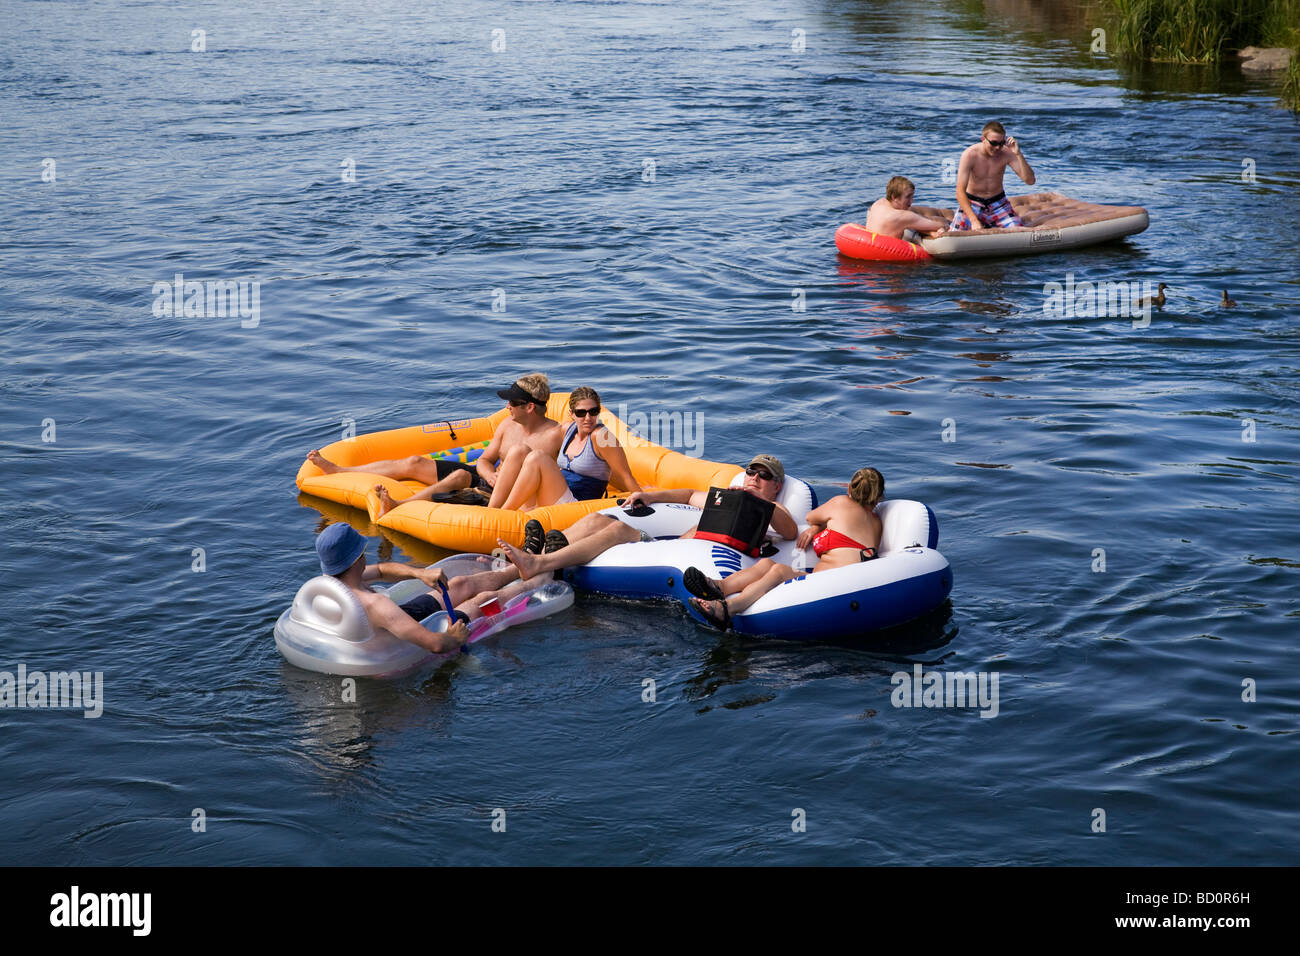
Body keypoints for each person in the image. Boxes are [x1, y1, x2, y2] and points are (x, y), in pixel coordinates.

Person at [496, 454, 798, 580]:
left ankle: (540, 561)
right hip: (663, 546)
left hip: (676, 557)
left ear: (777, 487)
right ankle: (522, 566)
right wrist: (650, 496)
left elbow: (789, 532)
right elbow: (688, 495)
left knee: (616, 532)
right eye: (751, 472)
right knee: (598, 520)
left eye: (764, 476)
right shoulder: (725, 499)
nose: (755, 477)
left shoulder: (771, 511)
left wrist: (759, 501)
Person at [305, 373, 563, 516]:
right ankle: (339, 470)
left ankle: (401, 506)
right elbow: (485, 459)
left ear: (530, 407)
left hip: (511, 493)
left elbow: (547, 478)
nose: (506, 407)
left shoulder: (554, 435)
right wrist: (489, 474)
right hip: (491, 479)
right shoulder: (507, 425)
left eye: (513, 403)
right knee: (414, 462)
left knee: (461, 474)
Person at [685, 467, 885, 629]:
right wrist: (818, 528)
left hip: (832, 585)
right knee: (766, 564)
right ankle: (719, 587)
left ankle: (727, 609)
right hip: (837, 580)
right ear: (879, 496)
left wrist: (815, 527)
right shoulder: (877, 523)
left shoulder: (841, 502)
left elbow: (811, 517)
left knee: (778, 570)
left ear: (849, 488)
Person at [313, 523, 544, 653]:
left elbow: (382, 570)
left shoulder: (333, 582)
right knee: (481, 600)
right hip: (398, 632)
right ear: (356, 559)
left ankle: (523, 565)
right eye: (362, 551)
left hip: (398, 617)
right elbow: (435, 644)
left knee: (460, 584)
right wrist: (454, 637)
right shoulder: (376, 604)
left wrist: (419, 573)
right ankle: (541, 579)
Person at [483, 387, 643, 511]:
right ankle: (492, 510)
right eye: (581, 413)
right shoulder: (567, 429)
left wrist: (645, 500)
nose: (588, 418)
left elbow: (624, 476)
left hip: (576, 504)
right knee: (519, 450)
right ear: (571, 414)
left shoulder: (602, 437)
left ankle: (503, 515)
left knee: (537, 457)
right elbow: (543, 433)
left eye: (593, 412)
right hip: (556, 496)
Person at [950, 121, 1036, 231]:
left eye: (1001, 143)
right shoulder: (970, 155)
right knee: (955, 233)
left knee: (1017, 232)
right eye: (994, 143)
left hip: (999, 203)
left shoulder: (1007, 153)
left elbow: (1030, 181)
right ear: (983, 139)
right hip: (973, 203)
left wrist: (1018, 154)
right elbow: (959, 191)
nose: (997, 148)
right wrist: (974, 220)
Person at [864, 176, 949, 239]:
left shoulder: (878, 203)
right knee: (938, 221)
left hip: (869, 246)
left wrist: (929, 231)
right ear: (894, 197)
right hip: (890, 255)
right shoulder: (903, 216)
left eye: (912, 196)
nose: (912, 201)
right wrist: (937, 229)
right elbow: (942, 225)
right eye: (908, 197)